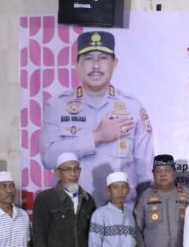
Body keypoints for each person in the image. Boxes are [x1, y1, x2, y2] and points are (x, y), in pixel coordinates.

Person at [40, 31, 153, 206]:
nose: (96, 65)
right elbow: (48, 158)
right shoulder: (57, 106)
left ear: (114, 63)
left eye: (103, 58)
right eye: (88, 58)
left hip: (119, 211)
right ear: (77, 63)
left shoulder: (132, 107)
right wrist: (96, 136)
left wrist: (144, 212)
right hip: (70, 212)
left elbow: (145, 169)